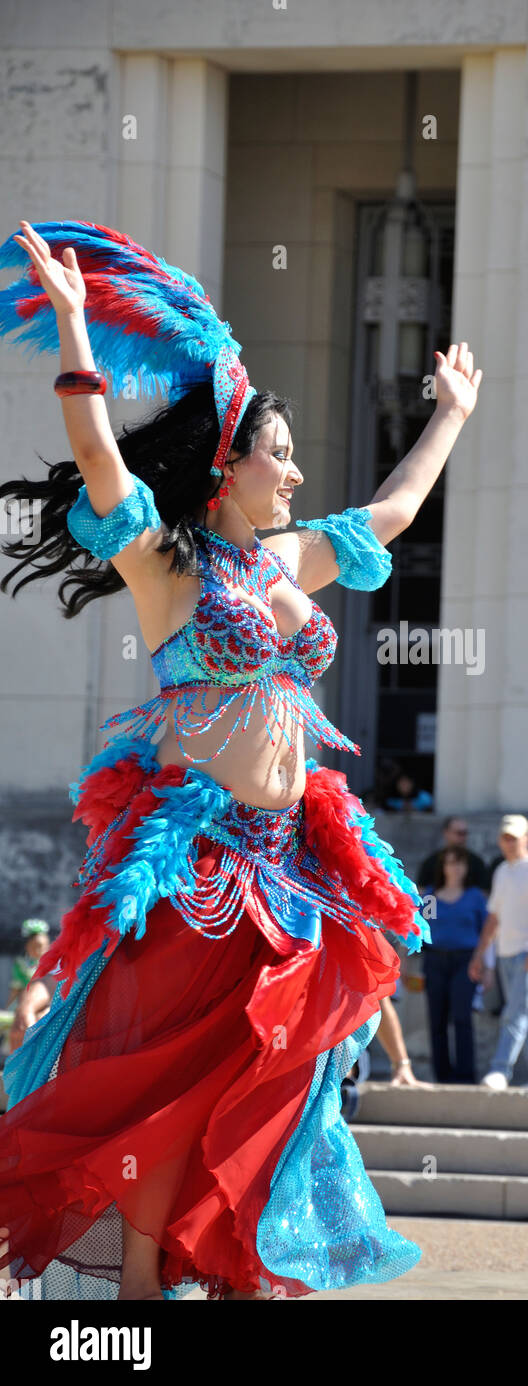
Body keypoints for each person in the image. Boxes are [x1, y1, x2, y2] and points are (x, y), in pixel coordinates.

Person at [0, 219, 482, 1300]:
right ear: (229, 464)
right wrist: (75, 320)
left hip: (292, 869)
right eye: (282, 452)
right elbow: (95, 456)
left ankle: (228, 1277)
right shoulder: (170, 569)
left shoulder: (291, 559)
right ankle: (132, 1303)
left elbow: (396, 512)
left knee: (269, 1084)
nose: (297, 470)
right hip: (200, 865)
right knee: (165, 1091)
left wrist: (446, 416)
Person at [468, 814, 528, 1090]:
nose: (509, 843)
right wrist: (480, 954)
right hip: (505, 953)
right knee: (525, 1012)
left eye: (514, 837)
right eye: (505, 837)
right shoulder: (501, 871)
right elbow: (494, 917)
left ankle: (500, 1070)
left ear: (527, 838)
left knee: (515, 1013)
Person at [420, 846, 486, 1083]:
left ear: (466, 868)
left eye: (459, 863)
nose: (455, 868)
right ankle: (442, 1074)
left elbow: (487, 933)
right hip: (435, 959)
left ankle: (466, 1075)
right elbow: (416, 929)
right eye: (450, 863)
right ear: (443, 867)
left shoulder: (475, 897)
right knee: (436, 1019)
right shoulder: (431, 895)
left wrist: (487, 966)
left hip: (465, 961)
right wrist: (404, 962)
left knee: (462, 1017)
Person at [417, 815, 490, 892]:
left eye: (465, 833)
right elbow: (421, 892)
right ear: (446, 833)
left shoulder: (477, 862)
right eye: (459, 833)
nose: (463, 837)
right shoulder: (430, 862)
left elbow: (484, 893)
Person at [5, 919, 51, 1011]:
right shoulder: (21, 964)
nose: (39, 951)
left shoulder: (55, 964)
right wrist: (8, 1009)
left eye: (42, 946)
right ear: (27, 946)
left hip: (49, 1003)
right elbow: (15, 989)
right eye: (34, 946)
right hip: (26, 1003)